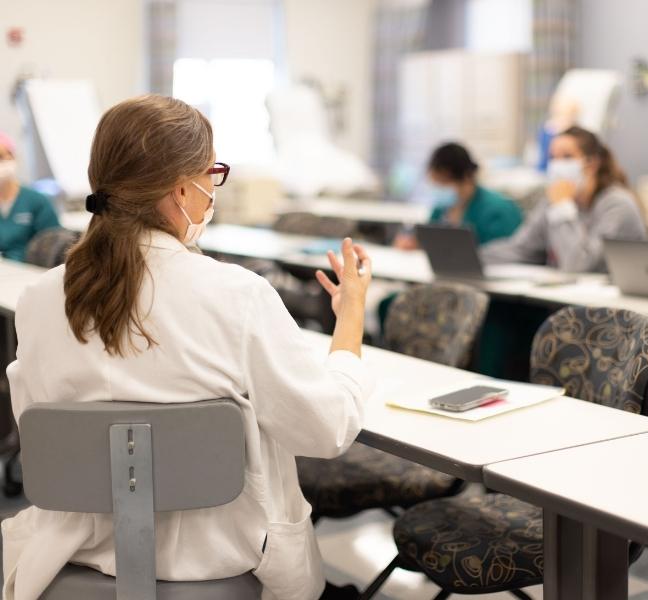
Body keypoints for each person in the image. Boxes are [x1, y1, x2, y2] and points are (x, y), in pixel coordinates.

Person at [3, 95, 373, 600]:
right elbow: (325, 429)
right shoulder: (236, 296)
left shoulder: (39, 299)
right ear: (181, 189)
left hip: (75, 551)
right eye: (211, 174)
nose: (211, 193)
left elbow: (40, 429)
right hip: (217, 560)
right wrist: (350, 320)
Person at [481, 126, 648, 272]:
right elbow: (521, 249)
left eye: (567, 157)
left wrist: (562, 206)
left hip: (605, 305)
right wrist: (474, 256)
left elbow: (578, 265)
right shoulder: (552, 200)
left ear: (591, 163)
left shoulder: (617, 205)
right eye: (553, 158)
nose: (557, 165)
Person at [394, 142, 522, 250]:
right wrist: (415, 244)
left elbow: (505, 253)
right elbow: (431, 242)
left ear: (466, 177)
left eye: (444, 182)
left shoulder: (499, 210)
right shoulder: (441, 210)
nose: (440, 189)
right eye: (436, 183)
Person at [0, 132, 60, 261]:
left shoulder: (36, 201)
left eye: (0, 157)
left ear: (12, 157)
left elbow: (54, 244)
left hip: (31, 272)